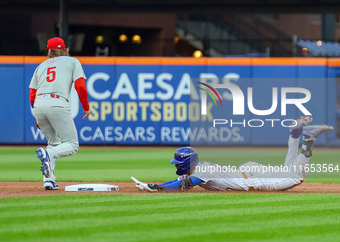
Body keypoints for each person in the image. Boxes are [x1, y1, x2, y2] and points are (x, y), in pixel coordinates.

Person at [132, 116, 334, 192]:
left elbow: (183, 184)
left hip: (251, 178)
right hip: (247, 171)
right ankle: (294, 134)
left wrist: (160, 190)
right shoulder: (200, 169)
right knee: (287, 171)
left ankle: (306, 138)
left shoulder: (201, 172)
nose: (176, 166)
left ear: (186, 162)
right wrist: (158, 185)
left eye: (177, 163)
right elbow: (182, 179)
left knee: (295, 175)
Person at [29, 37, 90, 190]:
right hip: (57, 102)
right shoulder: (72, 61)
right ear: (64, 49)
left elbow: (32, 94)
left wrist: (38, 115)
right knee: (72, 145)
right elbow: (80, 86)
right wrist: (86, 106)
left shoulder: (41, 66)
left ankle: (48, 180)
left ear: (49, 51)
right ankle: (48, 155)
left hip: (38, 105)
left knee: (53, 143)